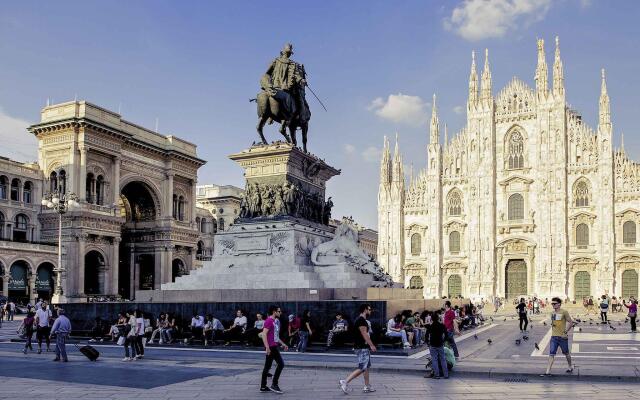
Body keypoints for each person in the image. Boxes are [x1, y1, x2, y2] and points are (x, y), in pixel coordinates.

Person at [339, 304, 377, 394]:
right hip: (361, 347)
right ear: (365, 310)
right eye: (369, 309)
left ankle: (367, 386)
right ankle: (345, 381)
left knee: (366, 367)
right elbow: (364, 334)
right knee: (362, 367)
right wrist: (371, 345)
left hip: (362, 346)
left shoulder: (362, 320)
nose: (370, 311)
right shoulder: (361, 321)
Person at [542, 297, 575, 376]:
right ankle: (548, 371)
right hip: (554, 336)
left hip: (562, 337)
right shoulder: (552, 313)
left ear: (559, 304)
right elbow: (554, 323)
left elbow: (570, 322)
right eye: (552, 304)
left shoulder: (564, 312)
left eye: (554, 303)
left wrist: (566, 331)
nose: (553, 305)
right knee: (551, 353)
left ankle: (570, 366)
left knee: (566, 353)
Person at [260, 305, 288, 394]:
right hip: (271, 347)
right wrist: (267, 347)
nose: (280, 313)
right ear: (274, 312)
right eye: (279, 311)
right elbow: (264, 334)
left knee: (267, 367)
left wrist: (283, 344)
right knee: (281, 364)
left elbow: (275, 337)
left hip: (273, 345)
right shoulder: (269, 321)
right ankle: (274, 384)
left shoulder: (274, 322)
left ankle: (263, 387)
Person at [425, 310, 448, 379]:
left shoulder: (430, 326)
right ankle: (446, 375)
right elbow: (446, 335)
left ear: (431, 319)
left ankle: (437, 375)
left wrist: (428, 343)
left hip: (432, 344)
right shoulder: (442, 326)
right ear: (438, 318)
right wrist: (443, 341)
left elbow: (426, 336)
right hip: (440, 344)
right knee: (443, 359)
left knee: (434, 359)